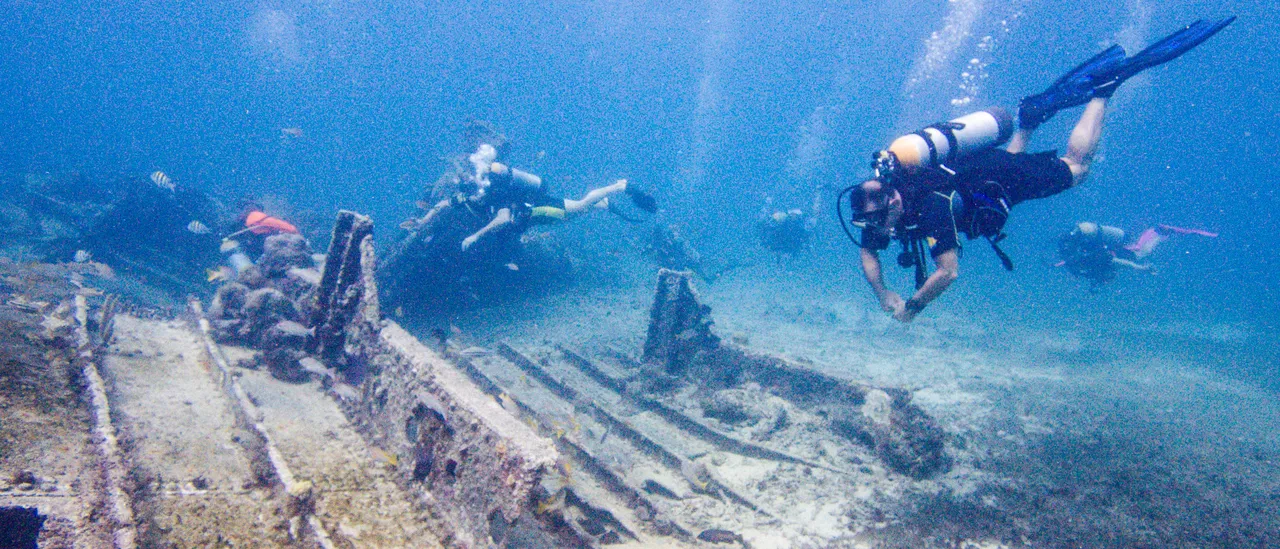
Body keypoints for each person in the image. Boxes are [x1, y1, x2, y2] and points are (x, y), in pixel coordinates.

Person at [847, 17, 1234, 323]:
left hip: (992, 178)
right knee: (1007, 170)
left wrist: (912, 307)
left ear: (892, 202)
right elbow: (868, 255)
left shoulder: (929, 207)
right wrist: (882, 294)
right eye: (872, 224)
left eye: (879, 221)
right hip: (977, 172)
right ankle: (1029, 120)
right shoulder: (883, 202)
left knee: (1077, 167)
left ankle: (1104, 90)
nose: (878, 230)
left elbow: (948, 272)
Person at [460, 162, 636, 250]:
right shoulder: (493, 196)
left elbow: (503, 219)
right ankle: (602, 204)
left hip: (545, 208)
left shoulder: (498, 199)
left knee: (581, 206)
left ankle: (617, 186)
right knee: (576, 212)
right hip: (542, 212)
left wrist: (475, 236)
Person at [1056, 222, 1218, 288]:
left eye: (1107, 278)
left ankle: (1159, 230)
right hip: (1102, 244)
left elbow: (1119, 262)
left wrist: (1141, 268)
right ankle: (1159, 231)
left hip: (1119, 249)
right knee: (1136, 251)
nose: (1108, 279)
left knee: (1141, 251)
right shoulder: (1081, 262)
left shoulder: (1097, 262)